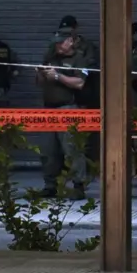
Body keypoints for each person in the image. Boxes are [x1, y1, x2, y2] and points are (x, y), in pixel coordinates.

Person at [39, 31, 91, 200]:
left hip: (69, 109)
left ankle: (78, 185)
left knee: (72, 149)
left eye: (62, 42)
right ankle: (50, 185)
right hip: (48, 110)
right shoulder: (50, 57)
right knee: (48, 150)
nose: (58, 46)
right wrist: (41, 74)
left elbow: (80, 83)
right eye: (56, 43)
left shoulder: (80, 59)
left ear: (71, 41)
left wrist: (58, 76)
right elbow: (39, 83)